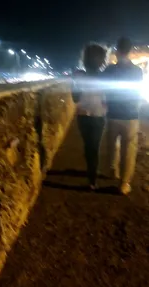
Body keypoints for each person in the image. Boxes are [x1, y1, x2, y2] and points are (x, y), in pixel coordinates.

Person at [104, 37, 143, 195]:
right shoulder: (137, 71)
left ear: (117, 50)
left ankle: (113, 170)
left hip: (113, 114)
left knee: (112, 144)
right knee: (129, 149)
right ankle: (124, 184)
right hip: (131, 116)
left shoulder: (110, 70)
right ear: (130, 51)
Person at [71, 43, 107, 190]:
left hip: (83, 115)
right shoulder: (105, 77)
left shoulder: (79, 76)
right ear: (101, 60)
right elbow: (108, 98)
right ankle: (92, 179)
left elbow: (75, 98)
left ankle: (91, 173)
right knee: (95, 146)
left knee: (88, 145)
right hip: (99, 115)